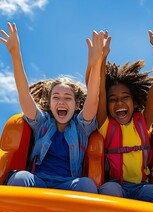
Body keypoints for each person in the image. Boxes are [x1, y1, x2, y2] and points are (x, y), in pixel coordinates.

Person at [0, 22, 106, 193]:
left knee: (86, 184)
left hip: (68, 185)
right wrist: (15, 54)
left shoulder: (81, 128)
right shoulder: (42, 124)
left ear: (77, 104)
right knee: (20, 177)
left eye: (68, 98)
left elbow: (93, 100)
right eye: (56, 97)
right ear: (49, 104)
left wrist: (96, 64)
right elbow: (24, 95)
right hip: (38, 182)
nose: (62, 101)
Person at [86, 16, 153, 207]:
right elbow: (99, 92)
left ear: (135, 101)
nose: (119, 102)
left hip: (142, 187)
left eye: (125, 97)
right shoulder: (104, 123)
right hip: (115, 185)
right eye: (113, 100)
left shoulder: (144, 121)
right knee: (109, 192)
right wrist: (101, 59)